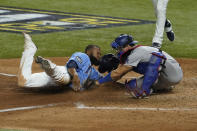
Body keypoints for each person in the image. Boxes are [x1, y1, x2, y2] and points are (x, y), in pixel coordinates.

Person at [98, 34, 183, 98]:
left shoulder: (137, 53)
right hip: (166, 75)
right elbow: (118, 73)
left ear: (127, 46)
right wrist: (104, 84)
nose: (118, 51)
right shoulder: (131, 54)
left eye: (120, 48)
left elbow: (117, 73)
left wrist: (98, 83)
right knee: (131, 87)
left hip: (172, 72)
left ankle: (145, 90)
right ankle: (164, 85)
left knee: (155, 59)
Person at [18, 33, 103, 91]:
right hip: (65, 74)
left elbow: (102, 79)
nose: (99, 55)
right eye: (97, 53)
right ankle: (49, 66)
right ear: (88, 52)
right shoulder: (84, 56)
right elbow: (71, 65)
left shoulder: (92, 71)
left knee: (23, 82)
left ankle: (30, 48)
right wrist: (75, 75)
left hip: (55, 84)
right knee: (62, 78)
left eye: (100, 54)